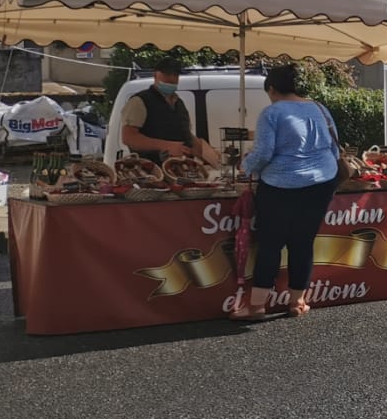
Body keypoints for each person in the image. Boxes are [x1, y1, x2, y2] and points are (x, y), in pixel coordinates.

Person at [232, 64, 341, 322]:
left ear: (272, 89)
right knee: (303, 242)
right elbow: (334, 148)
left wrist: (244, 166)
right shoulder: (319, 108)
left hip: (280, 185)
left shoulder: (272, 112)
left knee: (271, 243)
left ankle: (257, 306)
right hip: (321, 181)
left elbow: (263, 153)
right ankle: (297, 302)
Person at [120, 58, 222, 166]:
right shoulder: (139, 101)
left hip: (180, 169)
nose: (171, 78)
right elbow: (129, 138)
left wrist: (209, 154)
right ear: (155, 75)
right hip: (151, 171)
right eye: (167, 74)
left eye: (175, 74)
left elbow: (186, 135)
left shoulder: (179, 103)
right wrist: (166, 146)